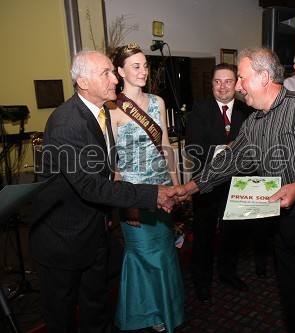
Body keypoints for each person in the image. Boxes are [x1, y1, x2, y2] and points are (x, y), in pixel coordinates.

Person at [169, 47, 295, 332]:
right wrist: (187, 188)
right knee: (292, 299)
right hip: (283, 221)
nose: (239, 86)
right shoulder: (255, 122)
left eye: (242, 78)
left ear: (265, 77)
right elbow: (230, 161)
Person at [29, 50, 175, 333]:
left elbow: (108, 169)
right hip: (63, 239)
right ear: (83, 82)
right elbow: (89, 185)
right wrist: (151, 194)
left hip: (94, 231)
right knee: (62, 318)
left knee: (97, 308)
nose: (114, 80)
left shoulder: (100, 113)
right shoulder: (67, 123)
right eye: (106, 73)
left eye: (113, 71)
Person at [108, 43, 184, 332]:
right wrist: (125, 204)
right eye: (135, 66)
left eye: (145, 65)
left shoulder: (157, 102)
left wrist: (176, 187)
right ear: (120, 70)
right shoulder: (112, 108)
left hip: (162, 191)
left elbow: (165, 146)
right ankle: (148, 314)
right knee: (143, 255)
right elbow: (113, 166)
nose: (142, 71)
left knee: (164, 253)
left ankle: (166, 309)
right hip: (134, 196)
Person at [184, 63, 255, 304]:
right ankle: (201, 282)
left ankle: (228, 274)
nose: (222, 87)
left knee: (232, 233)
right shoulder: (200, 109)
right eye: (217, 81)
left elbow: (253, 147)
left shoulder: (249, 111)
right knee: (203, 235)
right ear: (211, 84)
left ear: (236, 84)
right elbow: (192, 146)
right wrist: (226, 150)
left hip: (237, 183)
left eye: (228, 81)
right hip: (206, 183)